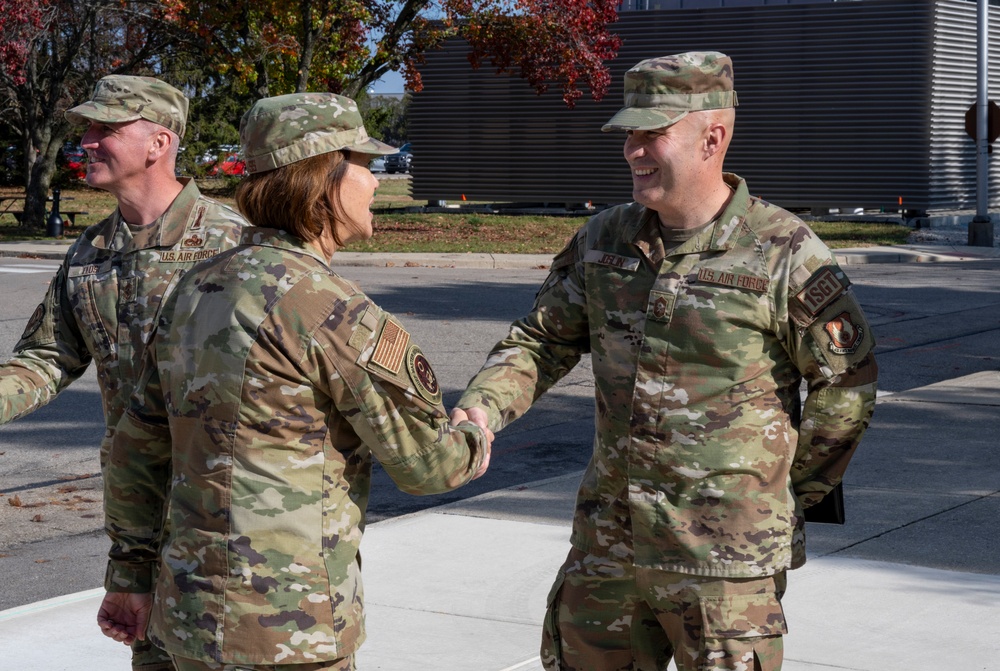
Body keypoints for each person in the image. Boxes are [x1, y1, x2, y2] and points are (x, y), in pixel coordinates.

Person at [455, 51, 878, 671]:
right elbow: (541, 341)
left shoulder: (784, 252)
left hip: (724, 568)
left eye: (652, 134)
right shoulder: (604, 240)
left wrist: (780, 494)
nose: (633, 150)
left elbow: (846, 387)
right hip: (609, 548)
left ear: (714, 137)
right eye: (629, 134)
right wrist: (482, 404)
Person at [97, 92, 493, 671]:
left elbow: (136, 447)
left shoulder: (195, 289)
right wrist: (473, 433)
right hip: (291, 631)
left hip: (188, 622)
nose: (376, 182)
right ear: (324, 178)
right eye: (364, 165)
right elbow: (427, 467)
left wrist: (131, 573)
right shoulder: (328, 307)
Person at [0, 75, 247, 671]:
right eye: (87, 128)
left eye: (104, 129)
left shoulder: (237, 244)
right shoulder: (90, 254)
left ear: (158, 143)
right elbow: (47, 357)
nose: (85, 141)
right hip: (141, 524)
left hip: (235, 521)